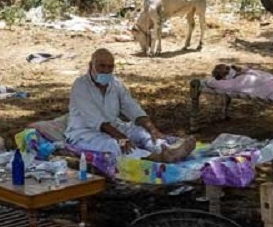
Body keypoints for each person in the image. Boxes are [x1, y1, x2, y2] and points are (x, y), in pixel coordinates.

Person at [67, 48, 195, 162]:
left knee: (141, 133)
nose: (106, 71)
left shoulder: (115, 84)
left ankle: (165, 149)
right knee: (116, 146)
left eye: (110, 67)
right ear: (91, 66)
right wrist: (121, 138)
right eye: (101, 66)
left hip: (114, 127)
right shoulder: (80, 86)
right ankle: (155, 158)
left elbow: (132, 108)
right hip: (85, 133)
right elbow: (96, 120)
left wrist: (153, 129)